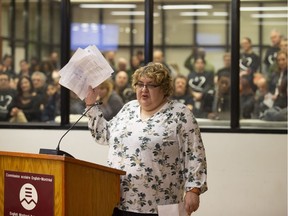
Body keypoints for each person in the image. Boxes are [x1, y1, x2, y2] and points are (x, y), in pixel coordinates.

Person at [85, 62, 208, 215]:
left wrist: (194, 190)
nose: (143, 89)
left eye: (151, 85)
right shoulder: (129, 108)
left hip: (161, 206)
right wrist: (90, 104)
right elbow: (104, 135)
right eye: (140, 84)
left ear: (164, 89)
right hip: (118, 202)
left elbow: (195, 153)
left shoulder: (180, 114)